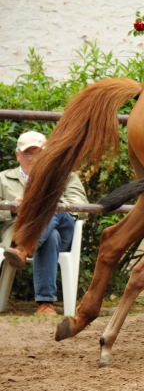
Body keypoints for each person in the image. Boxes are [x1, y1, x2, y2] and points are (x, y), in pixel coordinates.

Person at [2, 131, 88, 316]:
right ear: (18, 155)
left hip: (63, 227)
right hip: (21, 233)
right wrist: (13, 208)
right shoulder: (2, 179)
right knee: (51, 235)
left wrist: (53, 204)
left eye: (39, 153)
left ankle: (24, 248)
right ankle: (45, 304)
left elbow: (83, 208)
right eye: (28, 153)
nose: (34, 159)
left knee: (49, 208)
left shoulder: (66, 176)